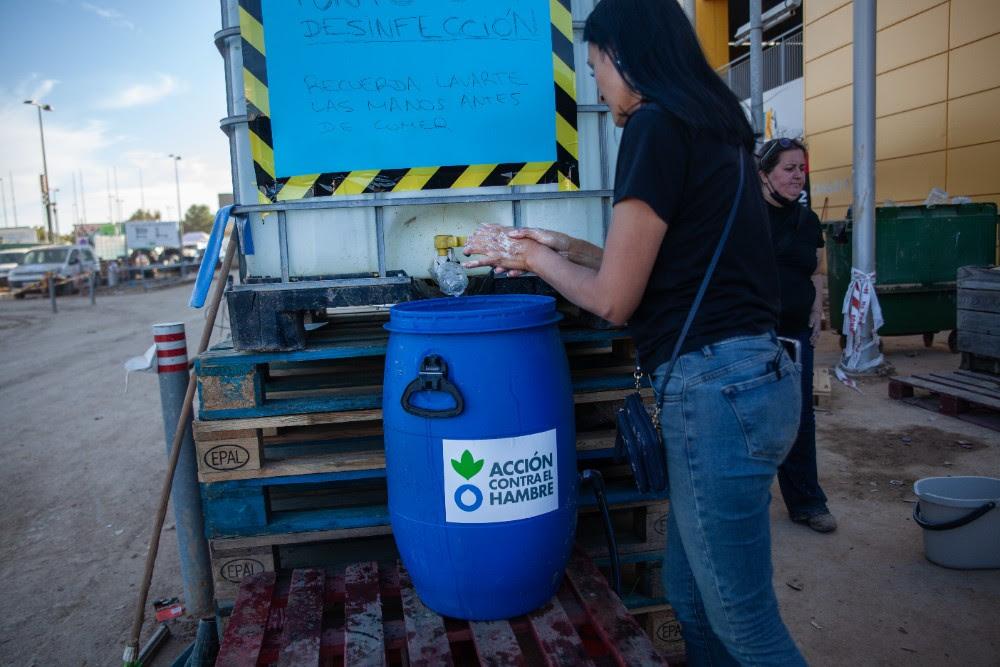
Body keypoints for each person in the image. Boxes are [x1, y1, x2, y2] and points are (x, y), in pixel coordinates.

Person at [463, 0, 806, 663]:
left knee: (745, 621)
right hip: (749, 378)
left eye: (596, 68)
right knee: (689, 590)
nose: (597, 85)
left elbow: (615, 300)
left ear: (624, 56)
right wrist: (559, 244)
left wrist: (529, 256)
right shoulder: (713, 124)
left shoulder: (652, 125)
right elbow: (670, 261)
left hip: (717, 391)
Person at [758, 138, 837, 534]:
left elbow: (816, 271)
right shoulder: (744, 218)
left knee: (799, 418)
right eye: (788, 168)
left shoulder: (808, 222)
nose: (797, 176)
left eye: (801, 169)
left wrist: (817, 311)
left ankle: (807, 502)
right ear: (765, 173)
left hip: (794, 335)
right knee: (749, 419)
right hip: (751, 334)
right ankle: (747, 505)